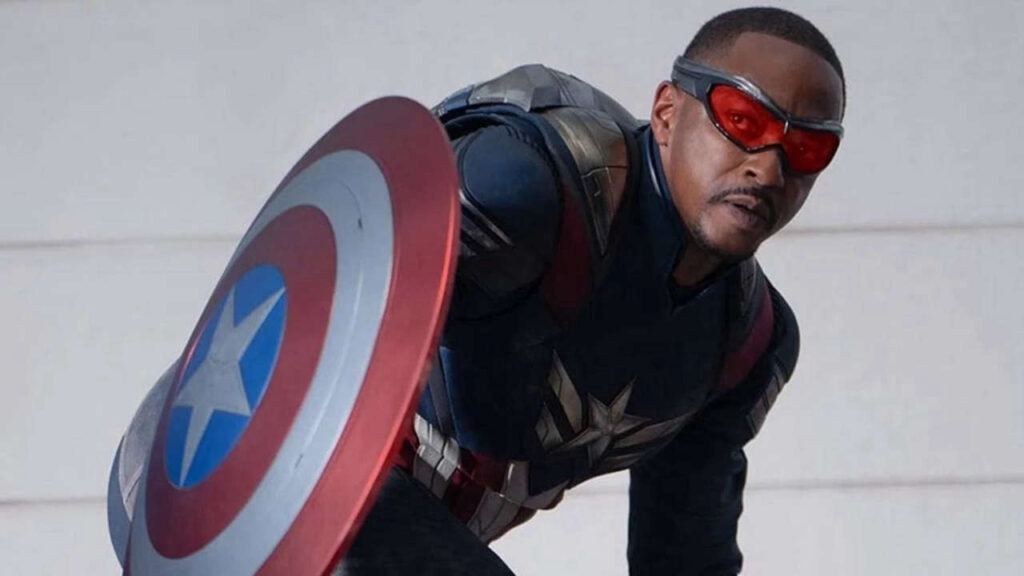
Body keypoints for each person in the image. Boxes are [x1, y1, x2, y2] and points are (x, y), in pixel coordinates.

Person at [338, 6, 845, 575]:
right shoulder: (521, 184)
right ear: (667, 113)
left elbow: (685, 553)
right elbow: (314, 319)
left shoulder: (745, 341)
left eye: (807, 149)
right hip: (310, 490)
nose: (768, 171)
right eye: (742, 122)